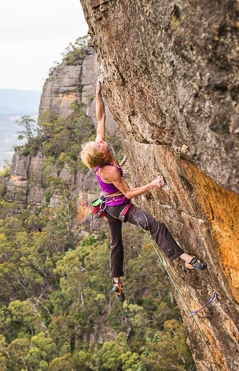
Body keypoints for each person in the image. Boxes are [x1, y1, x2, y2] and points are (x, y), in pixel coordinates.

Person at [80, 75, 207, 302]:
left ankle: (117, 282)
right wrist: (153, 184)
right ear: (100, 155)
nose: (100, 140)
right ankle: (186, 259)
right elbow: (128, 194)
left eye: (98, 141)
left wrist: (98, 92)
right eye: (98, 144)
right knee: (153, 224)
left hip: (108, 205)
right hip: (118, 208)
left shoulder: (101, 152)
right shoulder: (109, 170)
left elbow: (100, 116)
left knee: (116, 244)